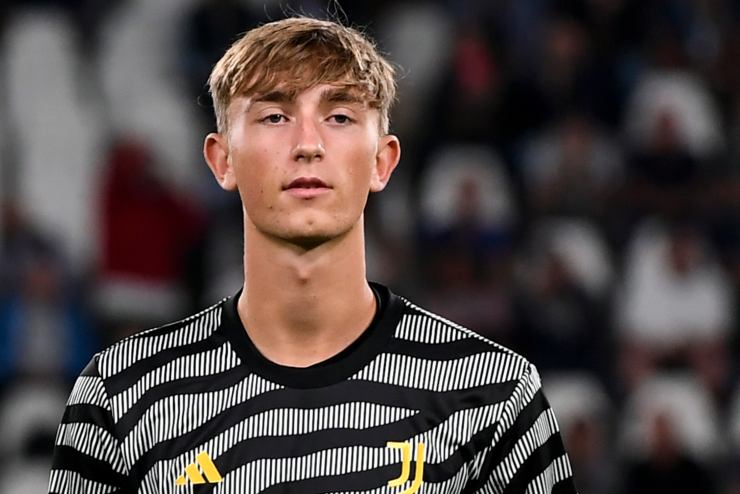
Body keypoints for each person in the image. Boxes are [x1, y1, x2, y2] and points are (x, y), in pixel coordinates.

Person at [48, 17, 577, 493]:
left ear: (382, 161)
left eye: (339, 116)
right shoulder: (121, 394)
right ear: (222, 160)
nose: (308, 144)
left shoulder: (493, 396)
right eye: (275, 116)